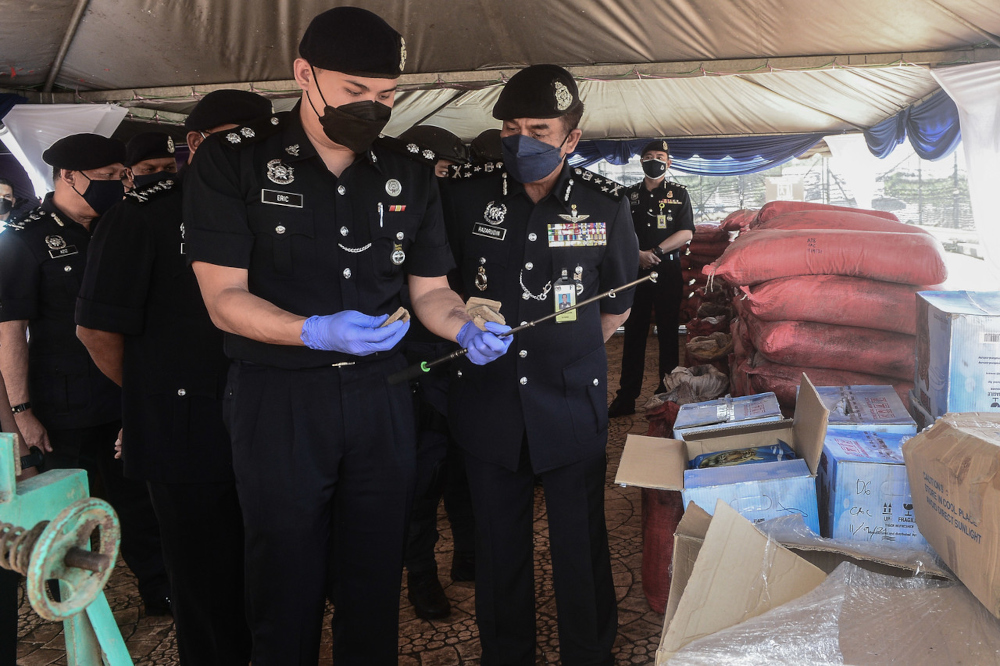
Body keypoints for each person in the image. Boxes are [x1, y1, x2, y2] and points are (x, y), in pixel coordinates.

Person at [181, 8, 510, 664]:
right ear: (305, 75)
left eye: (386, 95)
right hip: (278, 399)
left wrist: (464, 326)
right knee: (284, 576)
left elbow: (430, 292)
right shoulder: (234, 160)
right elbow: (222, 299)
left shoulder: (408, 169)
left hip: (379, 398)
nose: (372, 108)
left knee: (374, 571)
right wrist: (310, 331)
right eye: (355, 91)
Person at [444, 64, 639, 666]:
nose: (520, 138)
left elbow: (616, 307)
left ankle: (590, 651)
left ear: (571, 137)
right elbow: (440, 289)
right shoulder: (465, 195)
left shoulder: (605, 204)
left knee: (579, 540)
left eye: (538, 127)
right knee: (499, 543)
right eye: (511, 126)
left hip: (569, 400)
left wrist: (565, 353)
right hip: (489, 401)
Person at [75, 90, 271, 665]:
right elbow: (97, 331)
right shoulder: (145, 214)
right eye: (234, 137)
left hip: (269, 426)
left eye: (259, 139)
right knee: (206, 589)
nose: (248, 151)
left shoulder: (278, 210)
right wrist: (149, 397)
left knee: (276, 577)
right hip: (184, 435)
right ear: (194, 145)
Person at [0, 133, 171, 615]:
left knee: (140, 504)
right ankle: (66, 601)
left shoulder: (119, 225)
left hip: (120, 393)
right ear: (67, 177)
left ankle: (160, 590)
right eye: (108, 179)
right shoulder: (24, 238)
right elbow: (10, 331)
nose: (119, 187)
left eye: (123, 177)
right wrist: (21, 412)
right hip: (62, 406)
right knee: (67, 512)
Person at [395, 123, 476, 620]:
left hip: (457, 361)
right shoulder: (383, 211)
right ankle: (421, 577)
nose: (442, 181)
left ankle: (467, 556)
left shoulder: (455, 210)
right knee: (420, 480)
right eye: (439, 170)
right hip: (406, 367)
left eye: (448, 172)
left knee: (461, 466)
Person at [608, 140, 694, 417]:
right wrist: (639, 255)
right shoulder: (626, 195)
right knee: (634, 333)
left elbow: (687, 232)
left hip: (667, 270)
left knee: (669, 333)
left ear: (668, 163)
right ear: (641, 162)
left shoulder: (680, 194)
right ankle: (626, 397)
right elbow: (618, 232)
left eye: (659, 157)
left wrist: (655, 251)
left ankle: (665, 394)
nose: (653, 160)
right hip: (635, 272)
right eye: (648, 157)